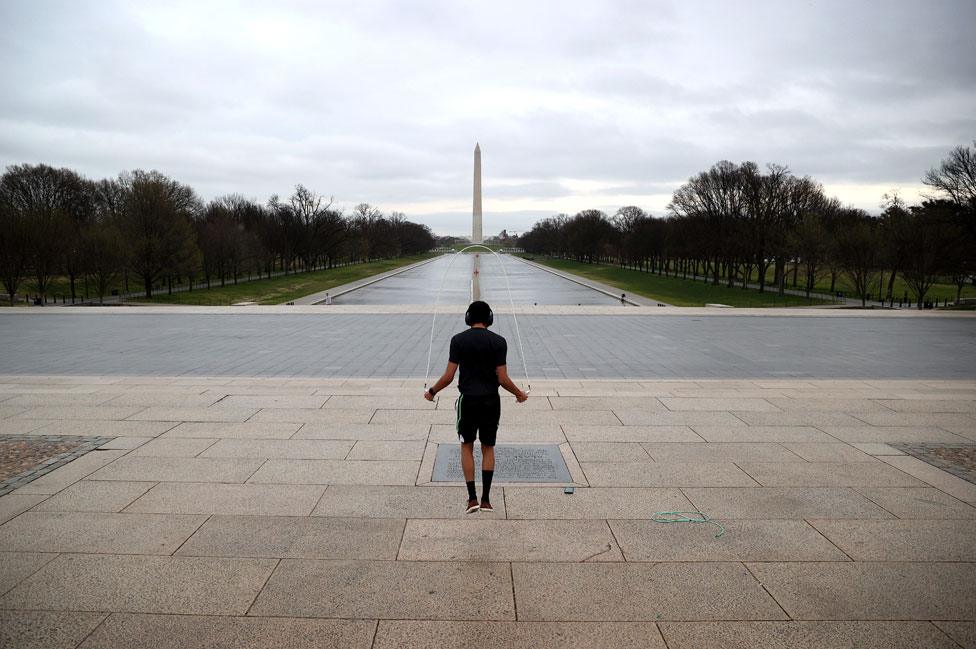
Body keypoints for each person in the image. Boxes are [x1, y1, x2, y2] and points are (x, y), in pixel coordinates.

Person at [424, 300, 528, 513]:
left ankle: (472, 499)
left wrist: (432, 392)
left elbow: (449, 376)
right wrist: (519, 394)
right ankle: (487, 499)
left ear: (468, 318)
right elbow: (502, 378)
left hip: (468, 401)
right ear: (489, 318)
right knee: (488, 447)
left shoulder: (458, 340)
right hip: (491, 400)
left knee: (467, 445)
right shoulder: (499, 341)